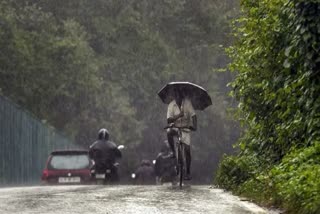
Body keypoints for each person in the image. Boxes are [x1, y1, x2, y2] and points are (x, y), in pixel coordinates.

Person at [166, 89, 197, 180]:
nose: (179, 98)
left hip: (185, 128)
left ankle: (187, 172)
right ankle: (173, 151)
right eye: (177, 96)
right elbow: (169, 120)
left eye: (181, 96)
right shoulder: (171, 105)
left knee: (187, 150)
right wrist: (179, 115)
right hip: (175, 127)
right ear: (175, 97)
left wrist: (195, 126)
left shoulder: (187, 103)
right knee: (168, 132)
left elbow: (194, 116)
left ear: (183, 96)